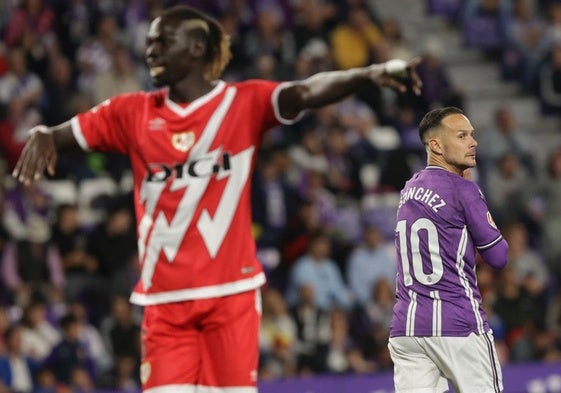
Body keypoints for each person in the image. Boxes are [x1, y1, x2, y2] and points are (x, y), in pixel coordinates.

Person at [12, 5, 422, 393]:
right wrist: (44, 134)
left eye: (162, 41)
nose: (149, 49)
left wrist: (370, 73)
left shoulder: (241, 103)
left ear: (195, 48)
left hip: (231, 296)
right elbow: (66, 134)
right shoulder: (132, 113)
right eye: (150, 42)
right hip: (164, 303)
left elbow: (305, 92)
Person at [388, 106, 509, 392]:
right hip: (457, 324)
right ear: (436, 145)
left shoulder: (408, 190)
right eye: (462, 135)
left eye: (472, 135)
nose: (473, 142)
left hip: (407, 329)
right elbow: (499, 257)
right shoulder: (462, 190)